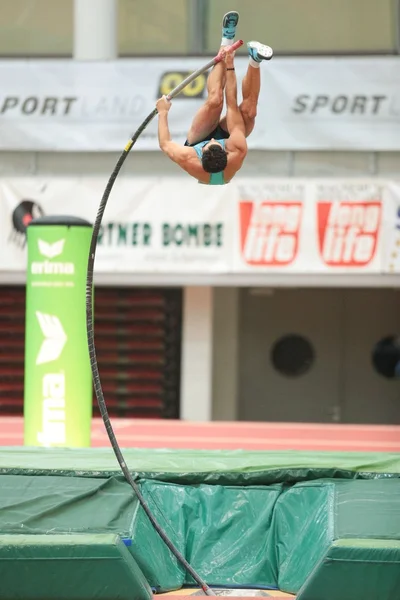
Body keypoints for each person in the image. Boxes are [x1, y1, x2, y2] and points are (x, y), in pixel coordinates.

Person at [156, 11, 273, 185]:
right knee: (249, 111)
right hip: (231, 140)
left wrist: (163, 112)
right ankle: (255, 60)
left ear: (201, 153)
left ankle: (227, 38)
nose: (212, 139)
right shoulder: (237, 150)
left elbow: (165, 143)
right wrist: (230, 65)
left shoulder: (188, 158)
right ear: (226, 151)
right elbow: (232, 104)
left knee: (215, 100)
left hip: (197, 138)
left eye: (209, 143)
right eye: (216, 143)